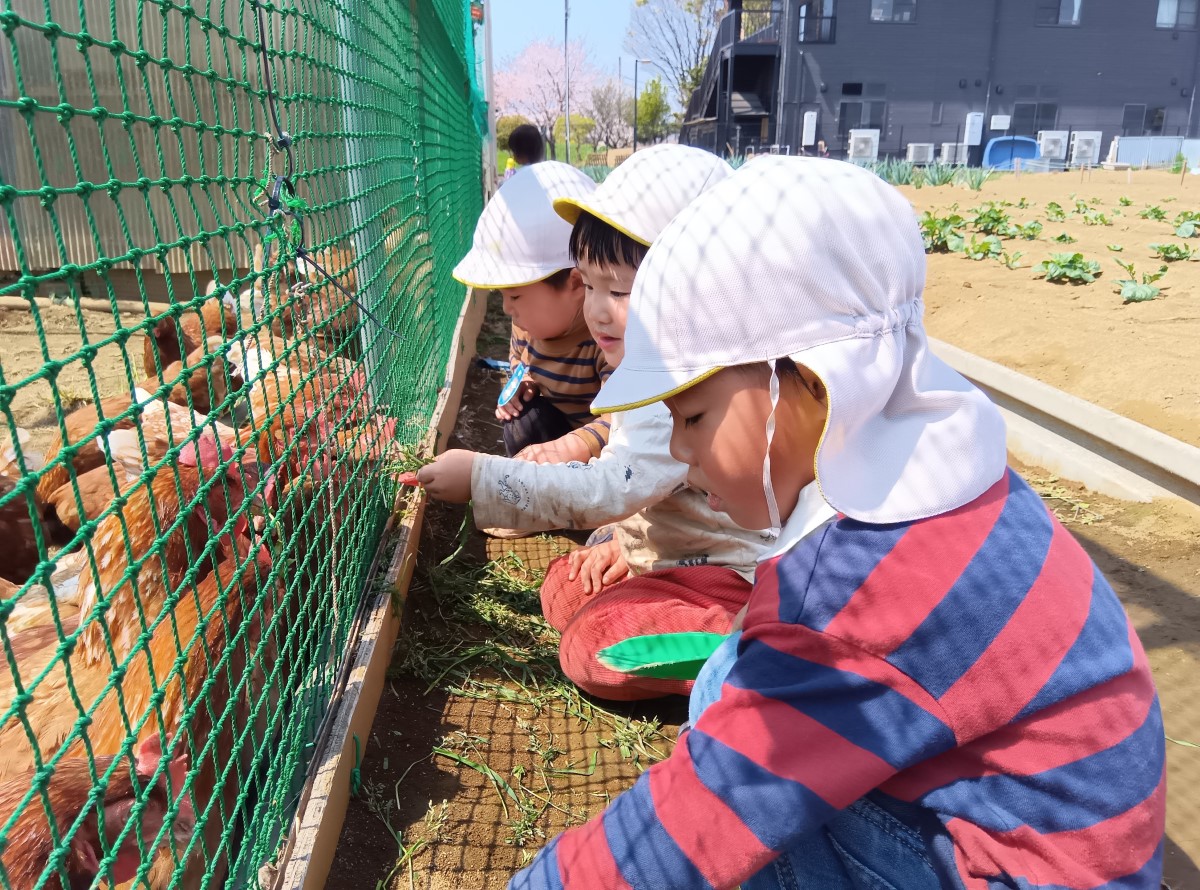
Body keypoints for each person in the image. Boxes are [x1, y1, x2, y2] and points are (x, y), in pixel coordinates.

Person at [509, 157, 1165, 888]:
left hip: (1016, 870)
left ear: (813, 385)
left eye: (692, 416)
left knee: (744, 823)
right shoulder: (940, 479)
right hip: (1069, 844)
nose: (684, 452)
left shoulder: (855, 590)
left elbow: (694, 822)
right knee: (726, 678)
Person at [420, 145, 764, 700]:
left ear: (698, 286)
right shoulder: (644, 365)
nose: (598, 309)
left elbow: (614, 483)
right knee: (563, 589)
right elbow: (640, 485)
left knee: (592, 648)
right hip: (673, 546)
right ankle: (668, 612)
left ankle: (745, 648)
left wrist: (483, 478)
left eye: (620, 291)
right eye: (591, 285)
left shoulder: (686, 383)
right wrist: (626, 546)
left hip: (729, 570)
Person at [452, 162, 612, 463]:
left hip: (603, 453)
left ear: (576, 282)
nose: (506, 307)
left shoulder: (607, 338)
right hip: (556, 429)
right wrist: (522, 383)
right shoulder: (526, 325)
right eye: (501, 295)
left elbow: (624, 422)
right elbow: (518, 361)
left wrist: (570, 448)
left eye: (515, 295)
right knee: (522, 424)